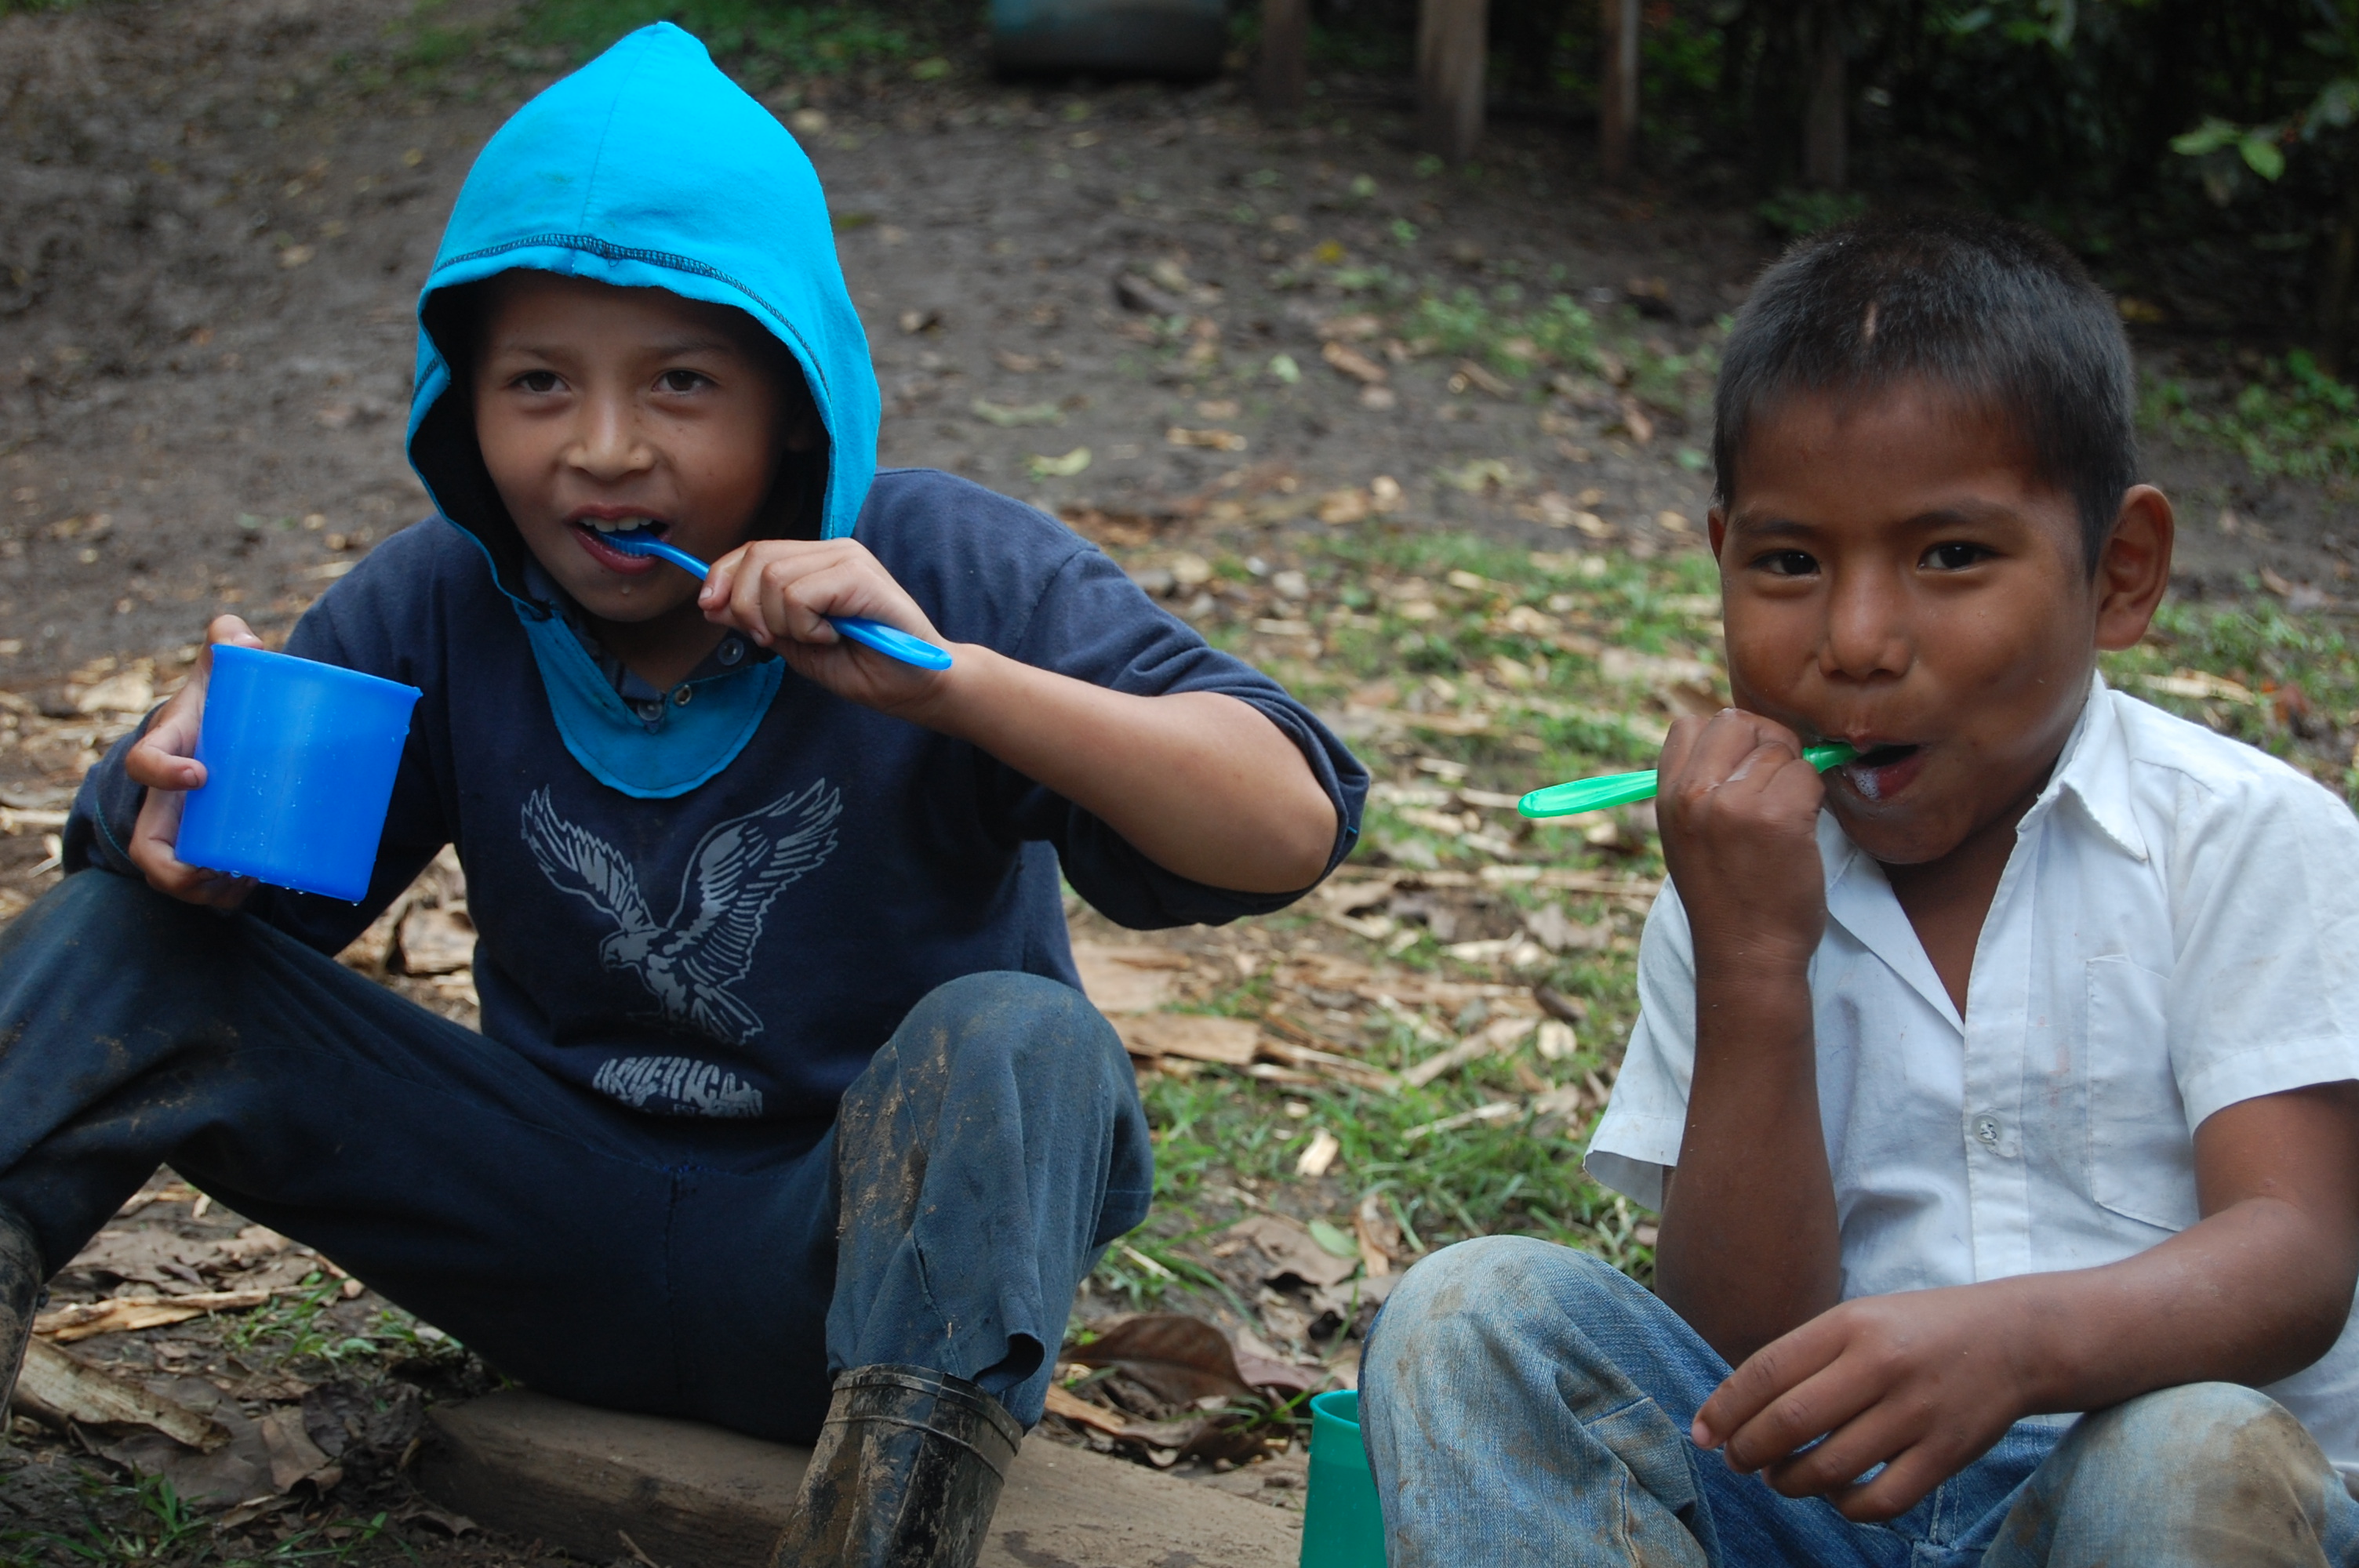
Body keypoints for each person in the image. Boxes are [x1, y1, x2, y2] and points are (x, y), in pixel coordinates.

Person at [0, 25, 1365, 1566]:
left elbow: (1285, 819)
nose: (601, 447)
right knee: (119, 931)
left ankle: (886, 1531)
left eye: (679, 381)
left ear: (795, 399)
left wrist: (954, 684)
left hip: (859, 1279)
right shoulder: (448, 599)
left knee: (1021, 1039)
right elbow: (233, 922)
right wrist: (164, 805)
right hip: (540, 1236)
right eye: (536, 383)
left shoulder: (938, 565)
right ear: (461, 405)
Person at [1359, 211, 2359, 1567]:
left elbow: (2297, 1251)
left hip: (2145, 1507)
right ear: (1720, 557)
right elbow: (1744, 1364)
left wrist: (2014, 1344)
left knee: (2182, 1450)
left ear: (2120, 573)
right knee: (1469, 1317)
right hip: (1834, 1510)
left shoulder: (2244, 838)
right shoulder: (1733, 889)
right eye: (1789, 563)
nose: (1857, 642)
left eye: (1952, 556)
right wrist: (1756, 962)